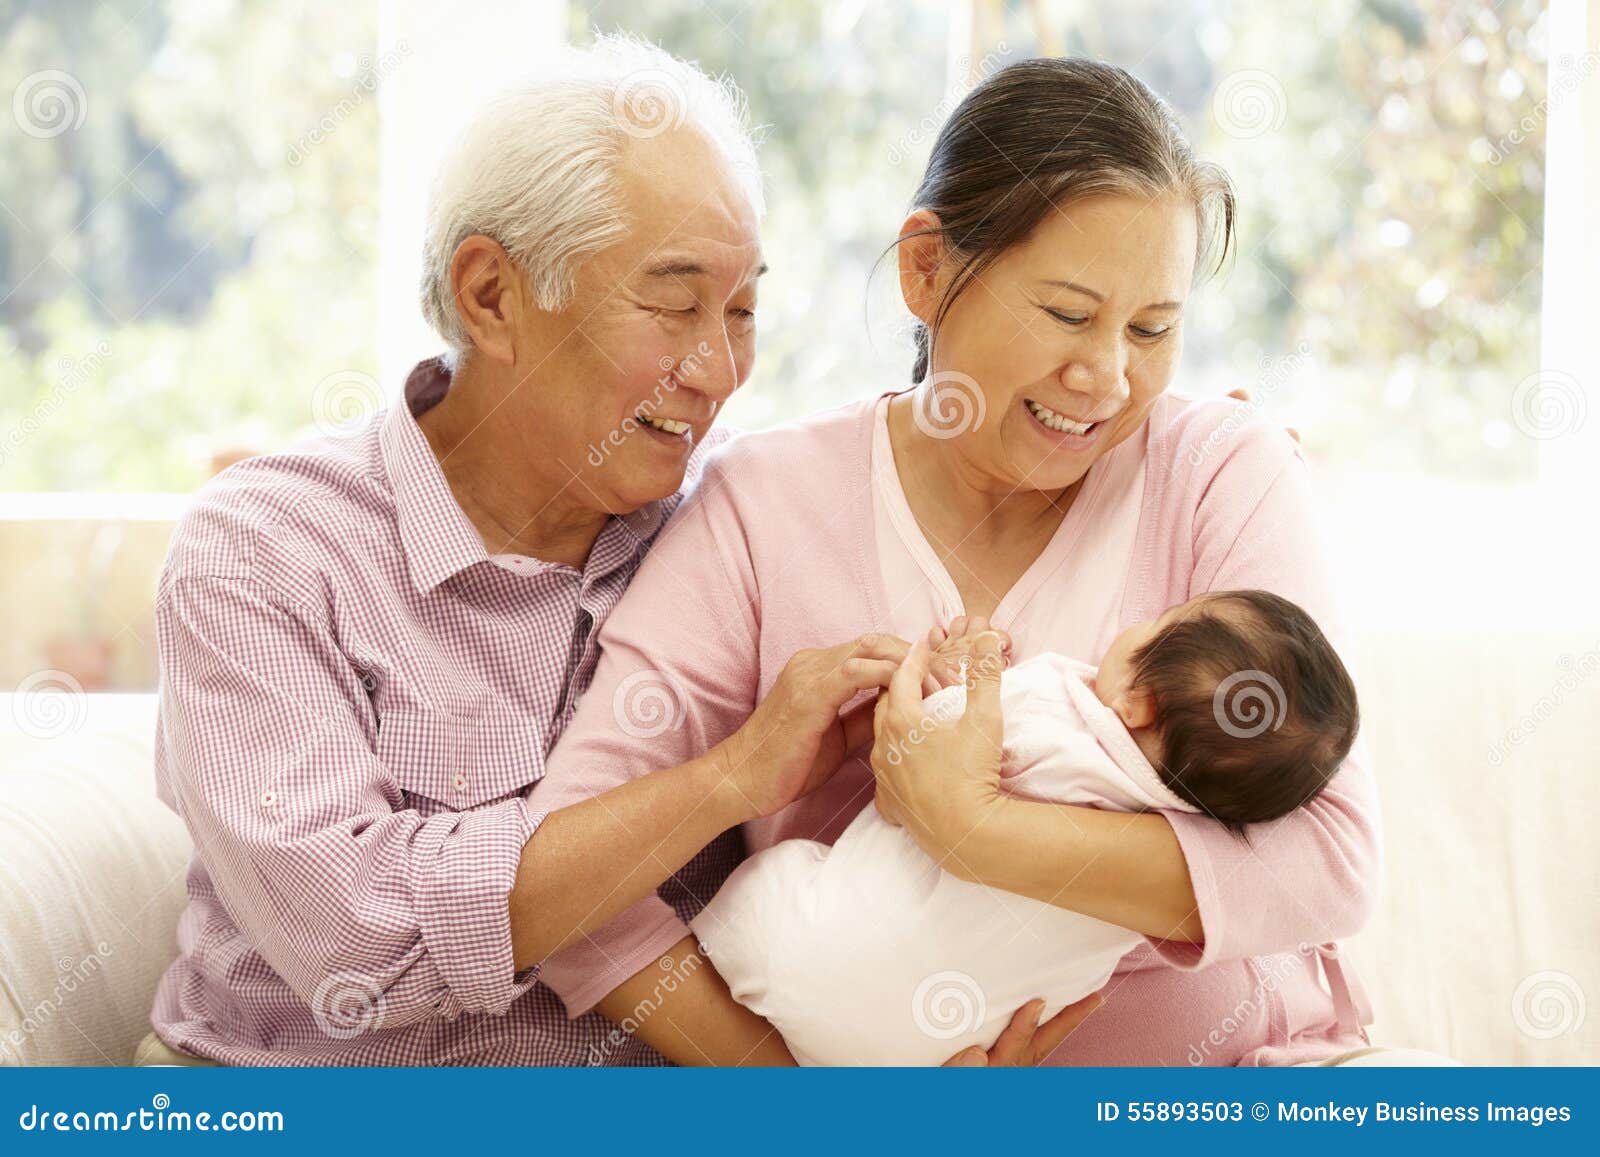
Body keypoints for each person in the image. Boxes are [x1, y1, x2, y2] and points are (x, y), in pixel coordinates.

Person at [526, 57, 1384, 1067]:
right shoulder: (764, 506)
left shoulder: (1216, 472)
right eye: (1068, 314)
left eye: (1152, 329)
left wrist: (971, 830)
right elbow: (561, 899)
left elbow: (1328, 860)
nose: (1105, 376)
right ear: (925, 269)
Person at [688, 592, 1361, 1065]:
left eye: (1157, 624)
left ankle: (709, 935)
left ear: (1137, 700)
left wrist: (946, 674)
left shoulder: (1049, 704)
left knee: (773, 878)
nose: (1138, 621)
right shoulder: (1167, 850)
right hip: (937, 1060)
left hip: (802, 954)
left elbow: (911, 784)